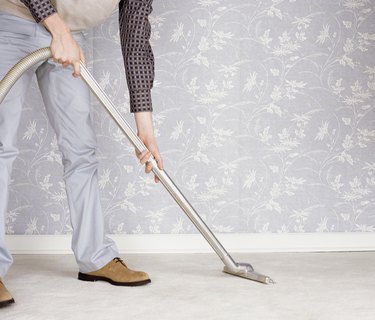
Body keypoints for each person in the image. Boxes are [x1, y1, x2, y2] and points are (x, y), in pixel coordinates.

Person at [0, 0, 164, 308]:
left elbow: (136, 37)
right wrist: (57, 29)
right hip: (13, 21)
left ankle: (95, 257)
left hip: (73, 36)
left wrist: (145, 131)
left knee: (81, 151)